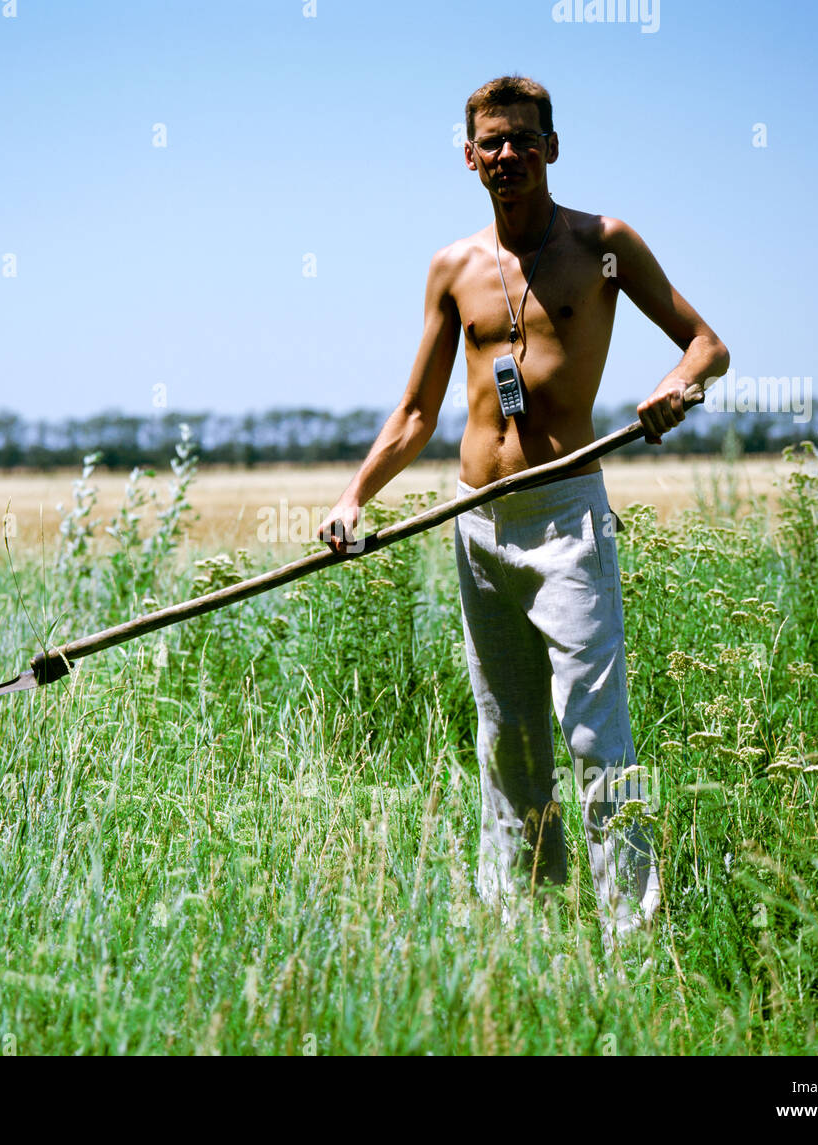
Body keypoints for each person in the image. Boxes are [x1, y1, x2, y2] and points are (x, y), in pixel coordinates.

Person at [316, 75, 729, 956]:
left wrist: (671, 389)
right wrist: (355, 497)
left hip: (567, 518)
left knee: (593, 730)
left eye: (523, 139)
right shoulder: (453, 269)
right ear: (469, 158)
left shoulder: (603, 244)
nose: (507, 155)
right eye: (490, 143)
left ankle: (632, 939)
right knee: (507, 740)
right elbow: (418, 412)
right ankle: (523, 933)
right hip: (476, 524)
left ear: (552, 146)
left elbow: (708, 345)